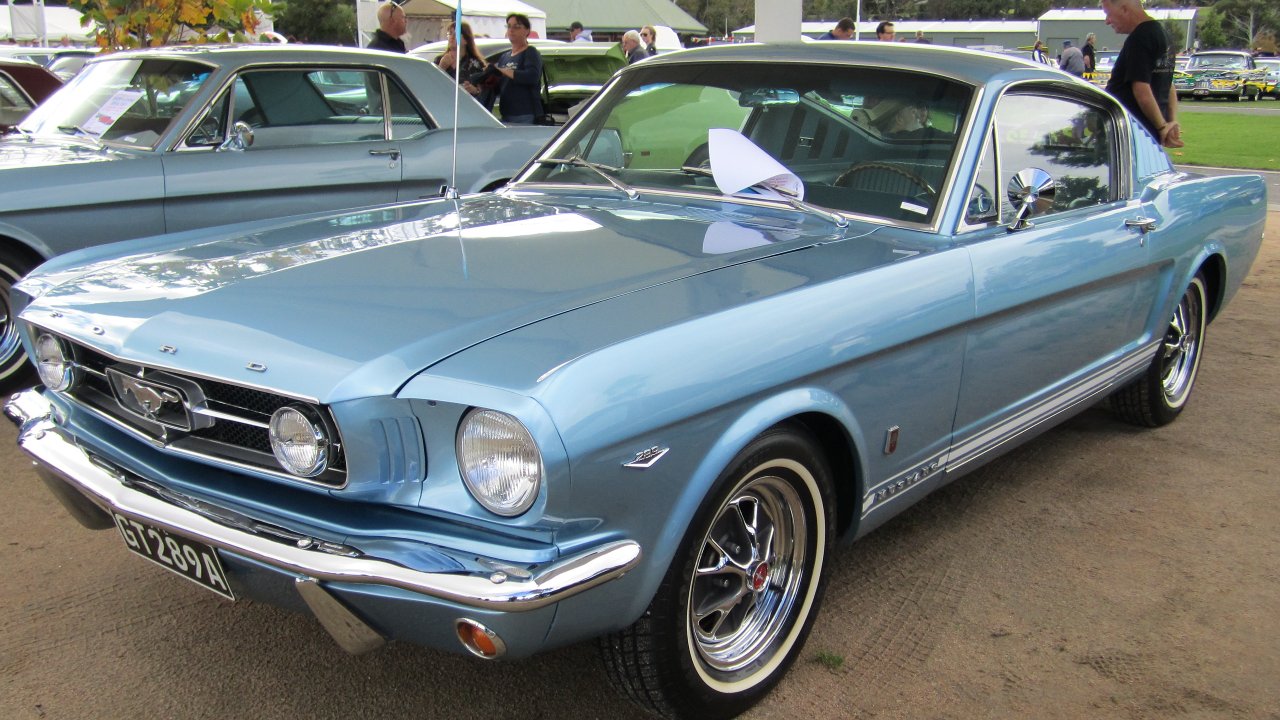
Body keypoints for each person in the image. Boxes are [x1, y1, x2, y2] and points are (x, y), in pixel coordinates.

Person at [1102, 0, 1182, 148]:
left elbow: (1141, 89)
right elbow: (1168, 84)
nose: (1107, 21)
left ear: (1125, 9)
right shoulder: (1162, 33)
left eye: (1108, 14)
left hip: (1131, 133)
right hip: (1150, 135)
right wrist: (1169, 123)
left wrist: (1163, 127)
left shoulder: (1140, 38)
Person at [490, 13, 544, 124]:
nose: (511, 30)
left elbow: (532, 76)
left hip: (524, 114)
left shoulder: (530, 52)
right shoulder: (504, 57)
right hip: (506, 113)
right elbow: (498, 86)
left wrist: (505, 71)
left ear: (527, 30)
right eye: (509, 26)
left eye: (517, 27)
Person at [437, 21, 486, 95]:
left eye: (456, 34)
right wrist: (441, 68)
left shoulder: (476, 64)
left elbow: (485, 91)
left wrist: (475, 90)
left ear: (466, 40)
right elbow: (432, 84)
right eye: (450, 33)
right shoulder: (439, 60)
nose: (452, 37)